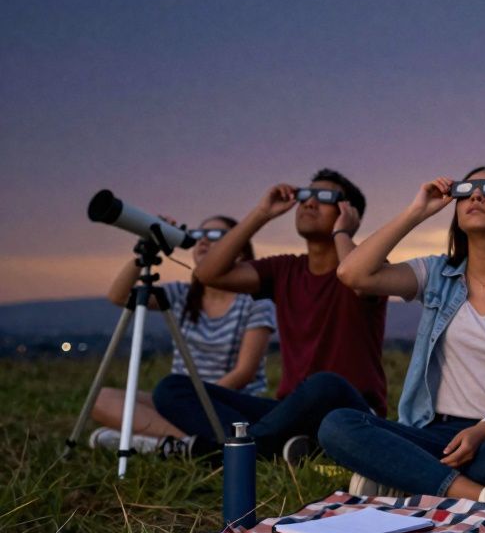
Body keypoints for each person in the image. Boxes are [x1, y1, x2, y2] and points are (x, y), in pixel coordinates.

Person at [319, 169, 485, 501]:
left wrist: (484, 429)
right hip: (432, 435)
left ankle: (411, 477)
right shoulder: (435, 274)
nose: (476, 196)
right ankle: (473, 492)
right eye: (466, 191)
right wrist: (417, 211)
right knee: (337, 425)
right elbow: (354, 273)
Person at [152, 170, 383, 463]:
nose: (309, 203)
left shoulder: (367, 266)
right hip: (287, 411)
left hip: (349, 410)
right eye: (304, 196)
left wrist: (342, 233)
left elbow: (357, 278)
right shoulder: (284, 270)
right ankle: (274, 446)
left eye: (325, 197)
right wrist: (262, 214)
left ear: (349, 213)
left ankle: (225, 453)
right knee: (171, 388)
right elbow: (208, 273)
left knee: (325, 383)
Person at [90, 215, 275, 457]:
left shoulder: (255, 302)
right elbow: (119, 295)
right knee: (101, 398)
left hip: (228, 402)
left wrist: (195, 404)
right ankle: (188, 444)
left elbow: (244, 372)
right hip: (176, 399)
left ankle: (153, 441)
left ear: (239, 251)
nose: (204, 242)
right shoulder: (181, 294)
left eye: (216, 237)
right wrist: (148, 246)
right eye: (198, 236)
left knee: (157, 406)